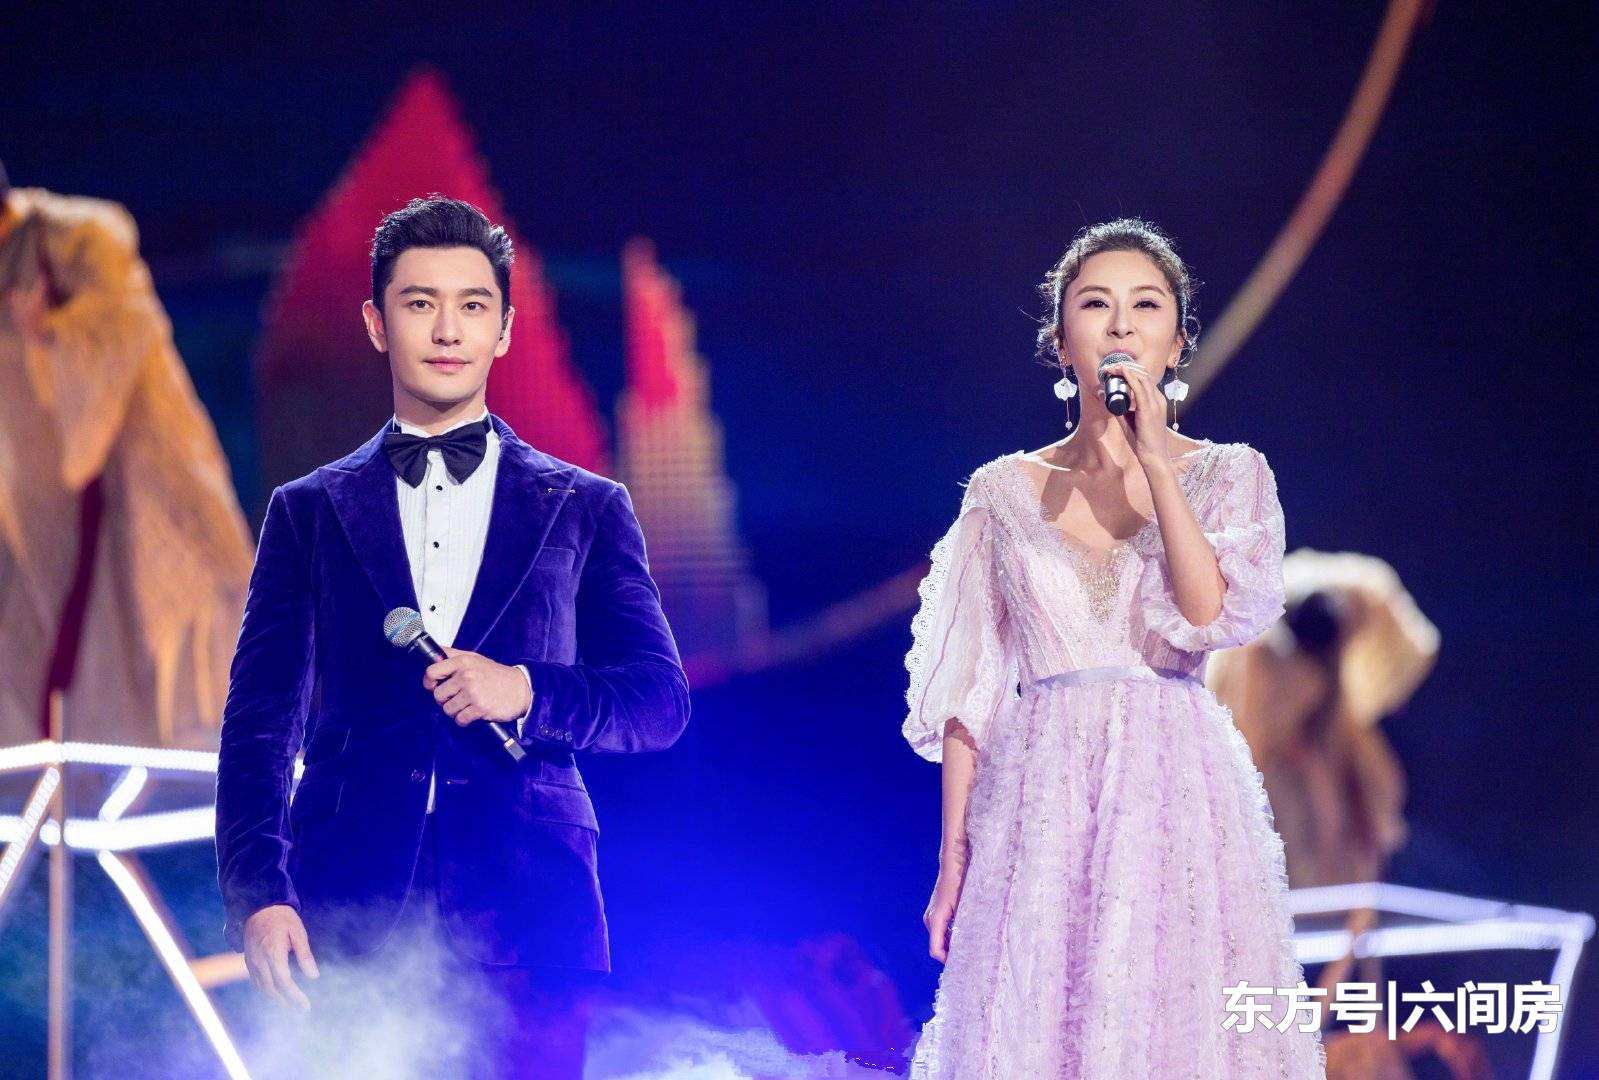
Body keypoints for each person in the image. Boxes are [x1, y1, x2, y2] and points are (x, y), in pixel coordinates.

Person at [215, 196, 690, 1078]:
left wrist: (528, 690)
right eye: (419, 303)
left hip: (530, 905)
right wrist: (259, 893)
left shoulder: (585, 506)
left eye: (472, 305)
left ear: (504, 329)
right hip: (345, 902)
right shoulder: (307, 510)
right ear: (376, 323)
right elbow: (258, 723)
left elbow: (657, 703)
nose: (446, 330)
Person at [902, 218, 1326, 1077]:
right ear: (1062, 344)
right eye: (1095, 305)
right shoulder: (1001, 491)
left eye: (1146, 305)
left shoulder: (1230, 474)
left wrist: (1157, 463)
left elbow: (1207, 613)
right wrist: (953, 855)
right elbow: (968, 690)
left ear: (1177, 343)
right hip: (1039, 796)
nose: (1121, 324)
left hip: (1174, 787)